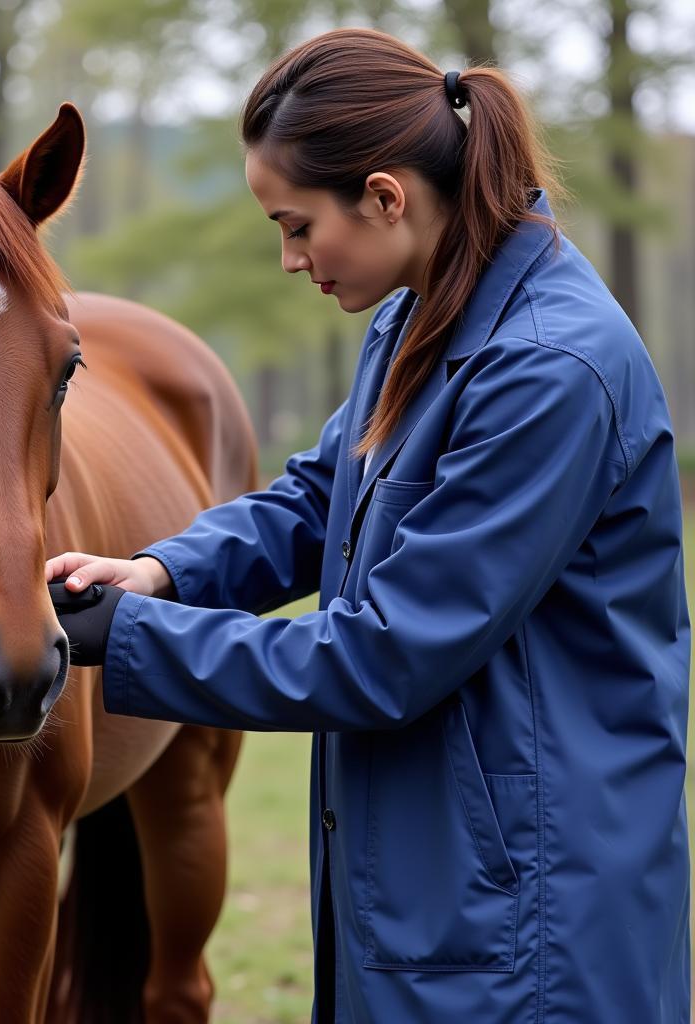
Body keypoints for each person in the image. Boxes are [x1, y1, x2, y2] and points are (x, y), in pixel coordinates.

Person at [45, 27, 691, 1024]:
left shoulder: (546, 369)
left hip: (532, 908)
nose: (289, 257)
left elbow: (383, 655)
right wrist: (159, 575)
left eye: (298, 225)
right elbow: (318, 501)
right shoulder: (421, 317)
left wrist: (126, 641)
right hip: (439, 872)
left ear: (385, 196)